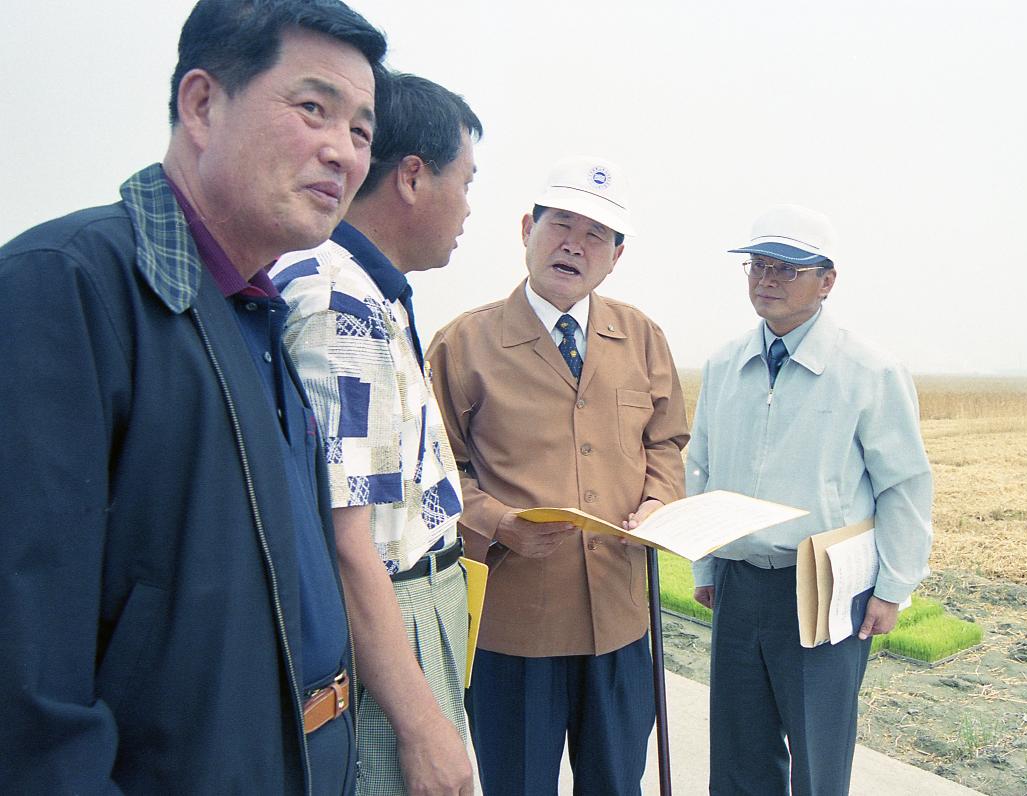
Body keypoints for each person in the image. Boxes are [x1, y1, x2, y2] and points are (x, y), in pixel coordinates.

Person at [0, 1, 385, 792]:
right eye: (314, 108)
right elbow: (27, 685)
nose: (341, 152)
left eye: (360, 131)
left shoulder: (252, 308)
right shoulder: (67, 285)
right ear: (202, 103)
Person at [426, 156, 689, 795]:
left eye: (595, 233)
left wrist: (658, 502)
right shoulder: (463, 344)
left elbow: (668, 442)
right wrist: (497, 522)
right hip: (515, 626)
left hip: (620, 619)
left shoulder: (642, 336)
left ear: (616, 255)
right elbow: (433, 471)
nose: (574, 243)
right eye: (560, 224)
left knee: (616, 784)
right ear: (526, 228)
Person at [272, 71, 481, 796]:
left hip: (415, 609)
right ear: (414, 178)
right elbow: (346, 537)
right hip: (392, 619)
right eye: (467, 181)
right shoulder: (341, 308)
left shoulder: (365, 289)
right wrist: (424, 725)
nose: (468, 210)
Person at [686, 204, 934, 795]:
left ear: (827, 281)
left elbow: (904, 484)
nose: (766, 279)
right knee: (739, 752)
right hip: (740, 580)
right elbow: (700, 467)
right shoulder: (725, 365)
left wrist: (894, 587)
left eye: (787, 269)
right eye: (758, 266)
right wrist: (704, 561)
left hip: (825, 586)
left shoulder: (868, 370)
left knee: (818, 755)